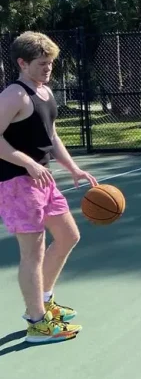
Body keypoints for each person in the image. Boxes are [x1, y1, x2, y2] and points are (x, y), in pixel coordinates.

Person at [0, 31, 97, 344]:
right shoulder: (14, 95)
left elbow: (51, 137)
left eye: (51, 63)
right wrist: (27, 162)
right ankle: (36, 322)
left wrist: (73, 168)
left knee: (69, 235)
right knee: (33, 252)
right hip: (17, 181)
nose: (48, 68)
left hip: (43, 179)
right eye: (42, 63)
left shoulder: (45, 92)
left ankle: (44, 300)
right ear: (22, 63)